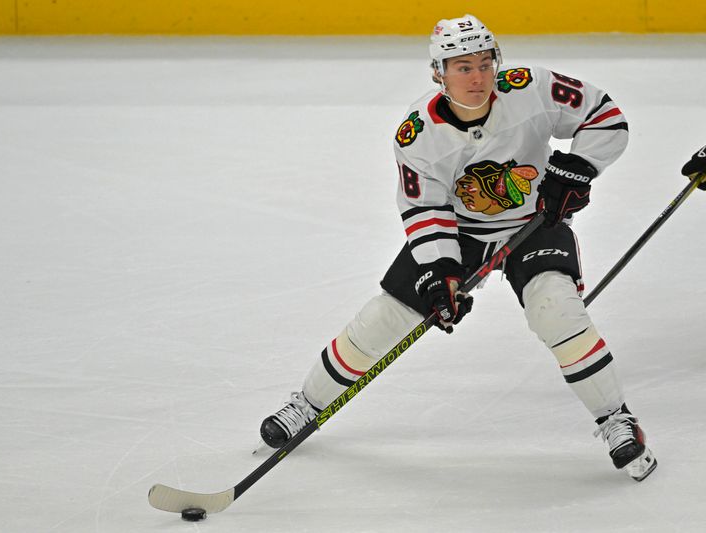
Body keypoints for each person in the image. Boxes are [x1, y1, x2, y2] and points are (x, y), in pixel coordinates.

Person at [259, 14, 658, 481]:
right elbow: (425, 209)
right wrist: (440, 271)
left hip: (534, 221)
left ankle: (616, 419)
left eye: (485, 64)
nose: (478, 77)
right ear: (439, 74)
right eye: (462, 67)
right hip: (462, 231)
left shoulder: (531, 87)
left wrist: (576, 167)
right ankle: (306, 404)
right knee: (383, 318)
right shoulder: (417, 135)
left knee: (557, 309)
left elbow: (606, 117)